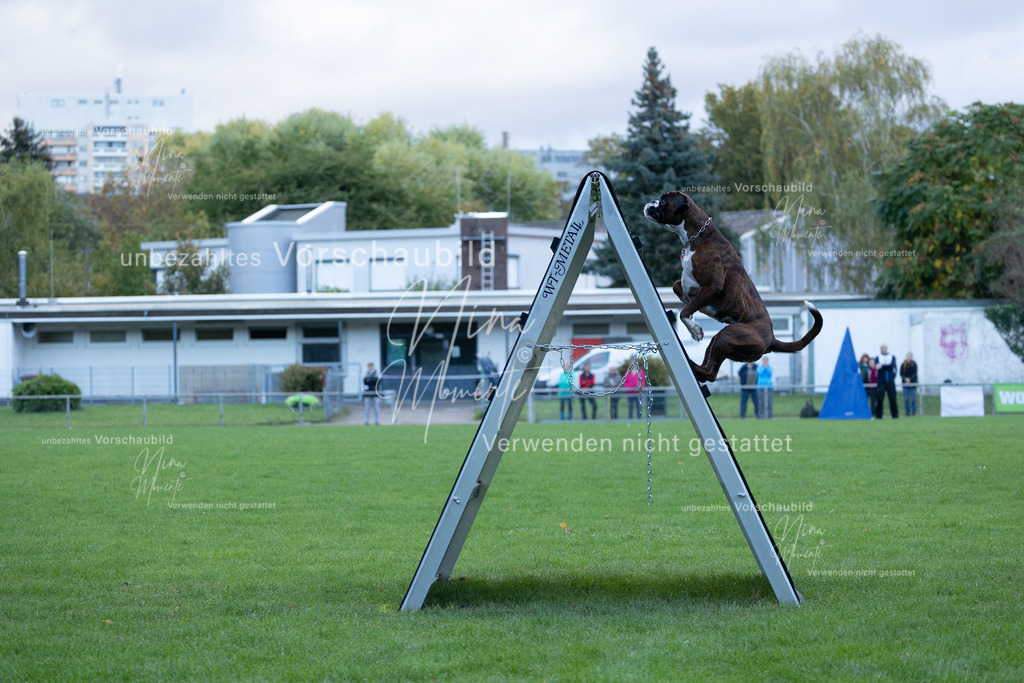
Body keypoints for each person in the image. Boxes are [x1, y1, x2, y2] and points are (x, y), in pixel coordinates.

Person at [875, 343, 899, 419]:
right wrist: (886, 367)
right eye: (882, 348)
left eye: (885, 348)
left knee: (892, 398)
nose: (884, 349)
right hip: (881, 381)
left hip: (890, 381)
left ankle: (895, 415)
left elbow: (892, 365)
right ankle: (879, 416)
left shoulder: (892, 357)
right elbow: (877, 366)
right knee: (880, 399)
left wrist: (882, 366)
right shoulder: (877, 357)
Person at [900, 351, 918, 416]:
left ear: (911, 357)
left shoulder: (914, 364)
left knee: (913, 398)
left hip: (913, 384)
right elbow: (901, 373)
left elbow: (915, 373)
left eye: (910, 356)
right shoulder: (903, 365)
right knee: (906, 399)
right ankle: (907, 412)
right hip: (905, 384)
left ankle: (914, 412)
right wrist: (905, 379)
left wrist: (910, 379)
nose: (908, 357)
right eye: (908, 356)